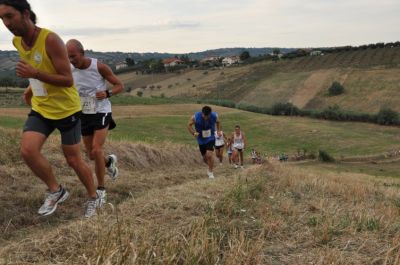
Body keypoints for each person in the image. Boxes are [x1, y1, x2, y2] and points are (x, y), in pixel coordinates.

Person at [0, 0, 98, 218]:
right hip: (42, 107)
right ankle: (56, 190)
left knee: (73, 160)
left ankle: (94, 197)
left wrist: (34, 74)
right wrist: (30, 88)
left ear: (25, 14)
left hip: (66, 109)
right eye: (2, 19)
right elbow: (37, 70)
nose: (5, 23)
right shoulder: (17, 41)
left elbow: (66, 80)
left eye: (9, 16)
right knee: (27, 150)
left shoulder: (51, 40)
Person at [66, 39, 123, 207]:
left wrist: (107, 93)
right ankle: (109, 162)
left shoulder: (98, 66)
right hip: (83, 113)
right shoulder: (69, 69)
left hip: (101, 111)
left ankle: (101, 190)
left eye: (74, 56)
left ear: (82, 53)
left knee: (97, 149)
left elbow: (120, 85)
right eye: (68, 57)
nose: (71, 60)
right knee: (91, 154)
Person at [187, 106, 221, 179]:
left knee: (209, 154)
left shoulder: (215, 116)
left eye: (207, 116)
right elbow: (189, 125)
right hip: (201, 139)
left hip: (210, 137)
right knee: (205, 158)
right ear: (202, 113)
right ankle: (210, 165)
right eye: (204, 116)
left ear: (210, 114)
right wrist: (193, 133)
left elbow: (218, 122)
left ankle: (211, 172)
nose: (205, 117)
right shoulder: (195, 117)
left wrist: (218, 131)